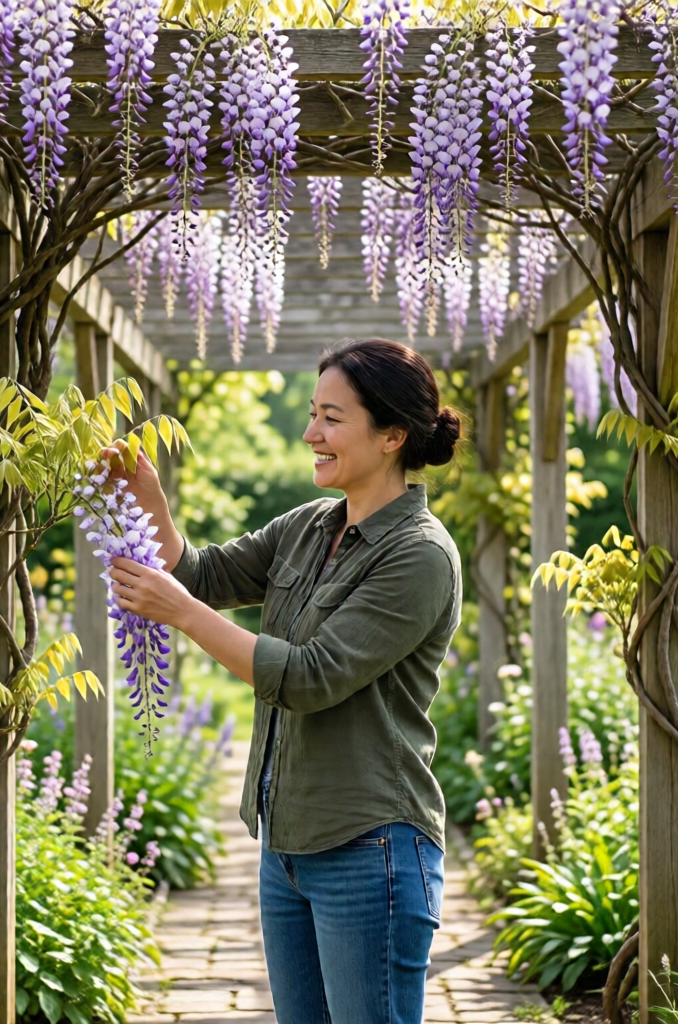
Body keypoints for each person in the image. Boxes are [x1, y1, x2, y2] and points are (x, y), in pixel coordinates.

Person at [103, 338, 463, 1024]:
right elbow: (201, 574)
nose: (310, 434)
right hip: (288, 847)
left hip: (372, 850)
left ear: (391, 435)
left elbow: (309, 678)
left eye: (331, 417)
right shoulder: (308, 527)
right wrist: (150, 501)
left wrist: (183, 615)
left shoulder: (420, 557)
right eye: (311, 412)